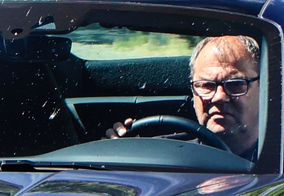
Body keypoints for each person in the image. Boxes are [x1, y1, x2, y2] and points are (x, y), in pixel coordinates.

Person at [107, 34, 261, 160]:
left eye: (235, 84)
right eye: (206, 85)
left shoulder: (283, 162)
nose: (219, 97)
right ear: (193, 92)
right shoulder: (159, 156)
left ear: (264, 88)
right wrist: (114, 155)